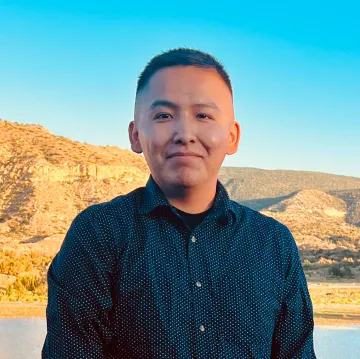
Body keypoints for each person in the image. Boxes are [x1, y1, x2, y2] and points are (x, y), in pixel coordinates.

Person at [42, 48, 316, 358]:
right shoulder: (99, 234)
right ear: (135, 135)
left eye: (203, 115)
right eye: (163, 116)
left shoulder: (274, 244)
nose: (184, 133)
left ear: (232, 136)